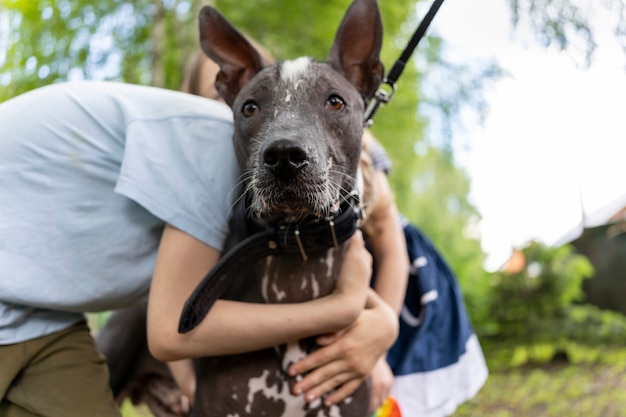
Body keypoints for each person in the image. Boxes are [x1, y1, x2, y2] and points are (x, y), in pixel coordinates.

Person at [0, 80, 398, 417]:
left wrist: (384, 323)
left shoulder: (266, 160)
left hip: (42, 313)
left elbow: (337, 249)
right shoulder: (211, 151)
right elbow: (173, 329)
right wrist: (341, 310)